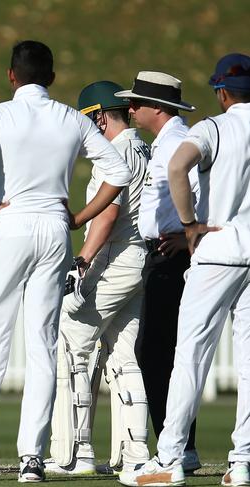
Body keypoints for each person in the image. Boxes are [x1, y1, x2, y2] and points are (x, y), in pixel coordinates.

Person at [0, 40, 132, 483]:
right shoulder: (69, 117)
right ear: (53, 78)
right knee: (42, 345)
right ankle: (31, 460)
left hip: (11, 224)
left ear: (11, 75)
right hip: (54, 230)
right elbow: (118, 173)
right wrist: (78, 217)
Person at [119, 53, 250, 487]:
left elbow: (179, 167)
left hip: (217, 251)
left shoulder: (213, 126)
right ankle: (243, 461)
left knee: (189, 355)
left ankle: (171, 457)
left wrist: (190, 224)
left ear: (222, 93)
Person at [45, 81, 150, 475]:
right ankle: (134, 453)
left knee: (72, 342)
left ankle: (76, 454)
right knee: (123, 354)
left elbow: (107, 214)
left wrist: (81, 262)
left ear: (101, 117)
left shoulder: (118, 152)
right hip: (140, 260)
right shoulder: (145, 149)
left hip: (116, 259)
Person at [114, 71, 201, 472]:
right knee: (164, 351)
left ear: (157, 108)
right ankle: (180, 445)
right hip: (162, 251)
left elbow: (205, 193)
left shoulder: (180, 143)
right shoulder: (165, 142)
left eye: (136, 103)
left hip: (173, 254)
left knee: (158, 350)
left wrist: (189, 236)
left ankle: (176, 446)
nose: (130, 109)